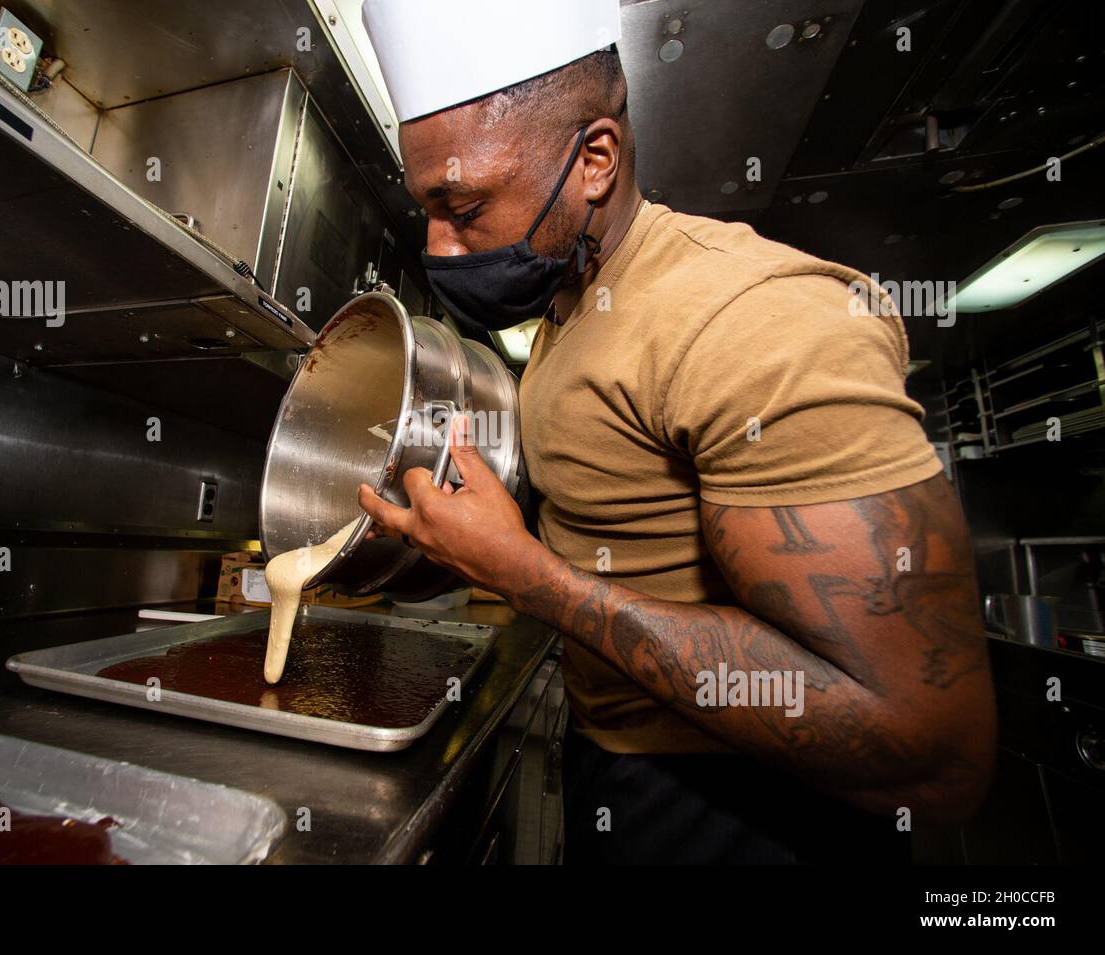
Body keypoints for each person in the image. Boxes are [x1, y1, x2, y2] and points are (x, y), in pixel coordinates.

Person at [357, 0, 995, 863]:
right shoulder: (567, 310)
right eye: (426, 208)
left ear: (594, 159)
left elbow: (930, 748)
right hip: (619, 773)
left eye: (463, 207)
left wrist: (526, 575)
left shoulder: (752, 320)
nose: (441, 247)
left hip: (750, 814)